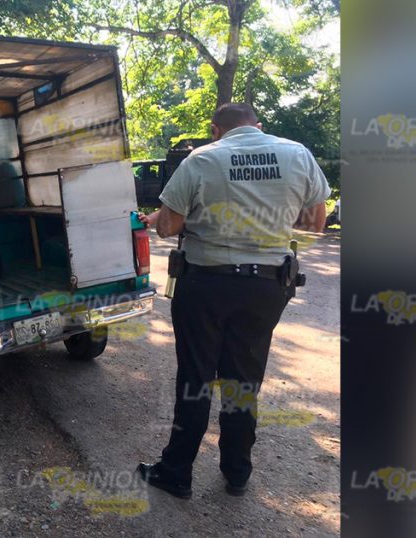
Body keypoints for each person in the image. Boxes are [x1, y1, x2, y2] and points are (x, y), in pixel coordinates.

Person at [136, 103, 330, 499]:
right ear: (258, 126)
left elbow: (168, 227)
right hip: (265, 287)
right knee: (244, 380)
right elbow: (315, 224)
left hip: (204, 285)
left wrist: (196, 218)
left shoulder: (202, 158)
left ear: (215, 129)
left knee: (196, 377)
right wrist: (267, 219)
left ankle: (176, 473)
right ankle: (237, 472)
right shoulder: (296, 154)